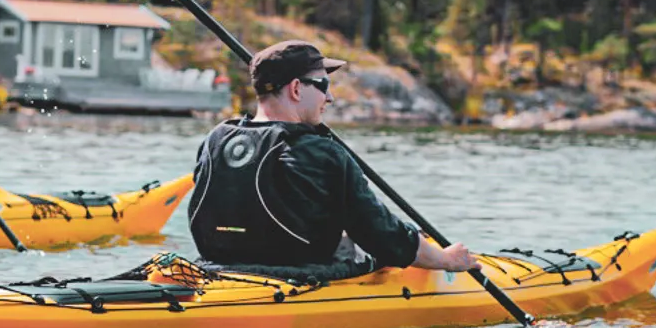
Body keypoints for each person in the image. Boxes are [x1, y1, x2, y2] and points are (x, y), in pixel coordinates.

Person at [187, 39, 477, 278]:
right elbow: (381, 235)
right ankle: (422, 245)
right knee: (376, 248)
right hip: (298, 271)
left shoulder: (217, 138)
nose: (330, 98)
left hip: (215, 266)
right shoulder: (320, 151)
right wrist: (445, 260)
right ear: (296, 89)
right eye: (323, 85)